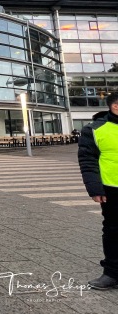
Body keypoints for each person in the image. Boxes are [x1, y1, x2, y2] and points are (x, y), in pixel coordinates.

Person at [78, 92, 118, 290]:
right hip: (112, 189)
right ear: (115, 107)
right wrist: (94, 188)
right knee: (112, 231)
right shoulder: (94, 129)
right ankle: (112, 273)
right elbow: (87, 160)